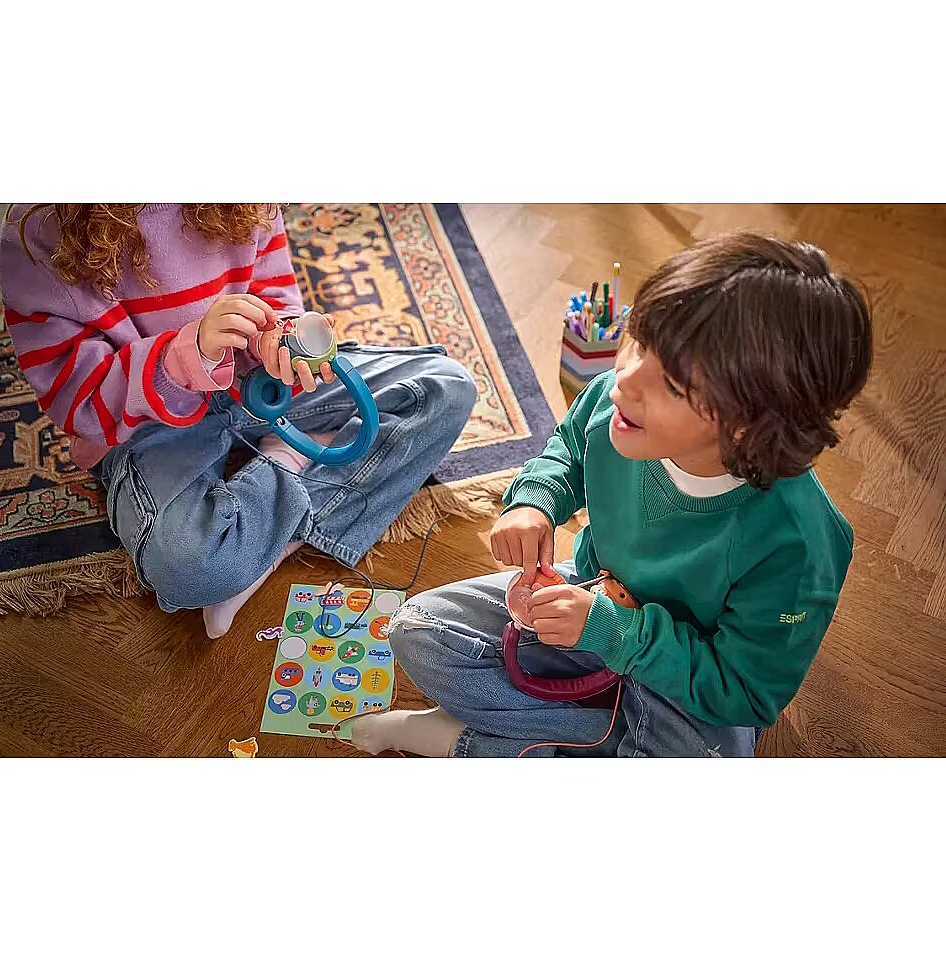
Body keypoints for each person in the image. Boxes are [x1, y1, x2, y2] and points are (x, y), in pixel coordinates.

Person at [348, 232, 872, 758]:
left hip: (685, 683)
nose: (625, 379)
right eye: (639, 342)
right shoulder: (612, 404)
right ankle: (569, 738)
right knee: (419, 629)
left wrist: (613, 633)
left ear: (747, 425)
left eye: (672, 385)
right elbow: (568, 451)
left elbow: (744, 691)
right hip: (592, 596)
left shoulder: (798, 543)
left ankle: (474, 740)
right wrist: (535, 500)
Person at [0, 204, 475, 638]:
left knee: (445, 387)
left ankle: (263, 528)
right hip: (149, 424)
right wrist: (184, 356)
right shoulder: (41, 231)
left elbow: (274, 295)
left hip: (256, 388)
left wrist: (277, 339)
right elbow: (77, 399)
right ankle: (285, 475)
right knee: (188, 567)